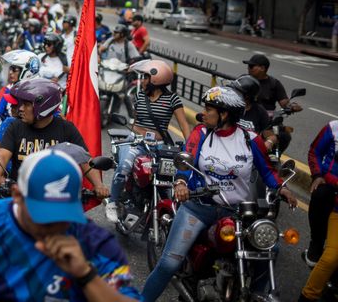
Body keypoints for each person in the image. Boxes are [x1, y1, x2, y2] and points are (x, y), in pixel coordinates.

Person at [141, 86, 297, 301]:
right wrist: (180, 183)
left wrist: (282, 188)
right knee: (169, 263)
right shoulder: (201, 133)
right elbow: (186, 163)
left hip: (236, 213)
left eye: (208, 109)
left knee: (271, 247)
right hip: (199, 209)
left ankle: (258, 294)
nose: (203, 113)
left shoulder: (250, 139)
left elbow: (267, 171)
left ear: (224, 114)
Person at [0, 148, 143, 302]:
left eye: (62, 215)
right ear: (17, 195)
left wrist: (86, 274)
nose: (51, 226)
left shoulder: (94, 241)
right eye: (42, 214)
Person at [0, 79, 109, 199]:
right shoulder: (15, 126)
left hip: (57, 197)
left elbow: (85, 160)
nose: (21, 109)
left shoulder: (66, 129)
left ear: (43, 107)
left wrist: (98, 185)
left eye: (27, 105)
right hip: (20, 195)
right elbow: (2, 154)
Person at [105, 60, 190, 223]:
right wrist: (136, 135)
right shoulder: (139, 96)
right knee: (124, 167)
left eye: (145, 77)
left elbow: (184, 126)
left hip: (160, 147)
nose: (142, 81)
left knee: (171, 176)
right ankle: (113, 202)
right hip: (137, 142)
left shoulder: (173, 100)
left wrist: (190, 149)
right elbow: (136, 122)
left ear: (156, 80)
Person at [305, 120, 338, 272]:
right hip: (329, 187)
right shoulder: (333, 127)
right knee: (320, 193)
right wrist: (317, 175)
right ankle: (316, 243)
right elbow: (315, 151)